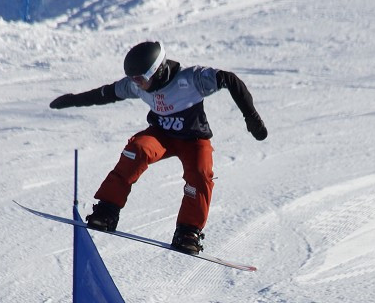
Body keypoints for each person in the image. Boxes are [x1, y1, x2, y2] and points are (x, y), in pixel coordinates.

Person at [49, 41, 267, 254]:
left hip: (193, 139)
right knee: (136, 150)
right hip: (162, 135)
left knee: (201, 175)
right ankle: (107, 210)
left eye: (141, 78)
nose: (137, 84)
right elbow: (105, 93)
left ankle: (188, 231)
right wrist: (72, 100)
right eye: (133, 79)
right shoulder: (136, 85)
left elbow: (229, 79)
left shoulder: (191, 79)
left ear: (159, 70)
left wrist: (252, 117)